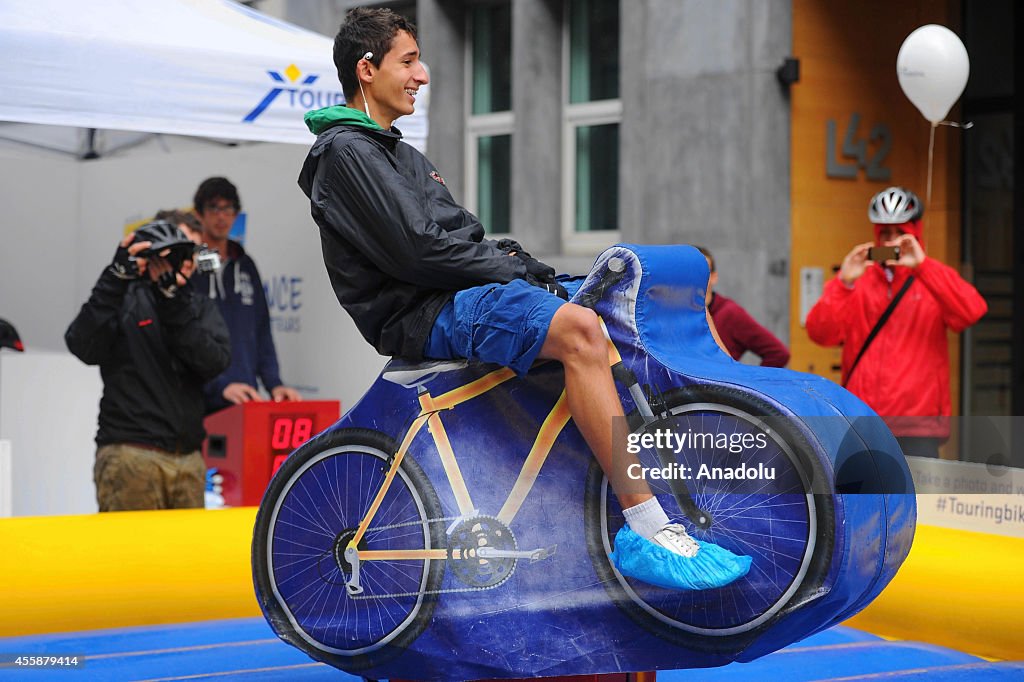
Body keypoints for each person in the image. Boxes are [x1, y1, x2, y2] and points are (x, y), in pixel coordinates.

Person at [295, 7, 750, 590]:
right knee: (580, 332)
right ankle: (646, 526)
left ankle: (602, 497)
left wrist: (518, 262)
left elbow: (464, 236)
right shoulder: (345, 153)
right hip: (423, 310)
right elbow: (419, 251)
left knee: (603, 317)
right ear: (366, 69)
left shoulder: (401, 154)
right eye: (409, 61)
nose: (423, 75)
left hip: (455, 291)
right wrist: (510, 267)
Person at [805, 187, 987, 458]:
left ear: (915, 233)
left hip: (917, 425)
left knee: (918, 500)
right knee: (865, 499)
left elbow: (972, 311)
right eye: (885, 233)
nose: (892, 241)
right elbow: (820, 333)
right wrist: (844, 283)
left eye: (900, 233)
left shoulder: (933, 279)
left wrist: (922, 266)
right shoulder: (858, 281)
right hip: (864, 420)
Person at [65, 221, 231, 511]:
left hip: (189, 462)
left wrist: (172, 303)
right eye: (173, 255)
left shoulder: (197, 307)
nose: (185, 263)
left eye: (189, 254)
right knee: (129, 555)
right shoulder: (123, 299)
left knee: (187, 558)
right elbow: (81, 344)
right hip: (131, 457)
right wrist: (115, 278)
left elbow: (214, 362)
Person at [190, 177, 302, 413]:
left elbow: (261, 330)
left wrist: (274, 384)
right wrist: (217, 386)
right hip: (198, 402)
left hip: (245, 400)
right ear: (199, 214)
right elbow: (183, 340)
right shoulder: (187, 267)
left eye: (228, 208)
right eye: (214, 208)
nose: (221, 216)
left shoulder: (246, 264)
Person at [697, 247, 790, 367]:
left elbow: (778, 353)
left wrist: (751, 383)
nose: (696, 279)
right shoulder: (673, 313)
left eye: (702, 272)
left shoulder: (729, 313)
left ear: (714, 277)